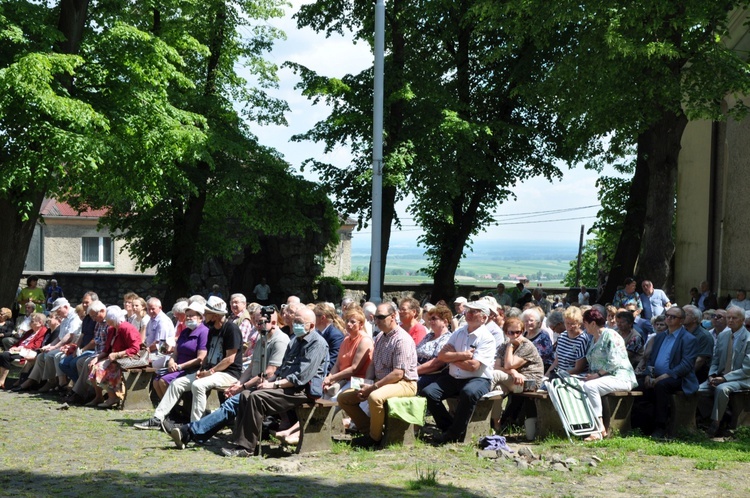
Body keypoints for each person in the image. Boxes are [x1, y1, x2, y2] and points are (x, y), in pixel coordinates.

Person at [173, 306, 328, 457]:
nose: (295, 325)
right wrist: (266, 382)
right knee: (246, 395)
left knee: (255, 397)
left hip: (302, 390)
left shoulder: (317, 343)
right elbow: (281, 370)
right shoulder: (294, 341)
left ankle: (246, 448)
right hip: (284, 385)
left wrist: (273, 384)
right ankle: (234, 441)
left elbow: (300, 377)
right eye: (295, 321)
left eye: (299, 322)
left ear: (311, 325)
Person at [134, 296, 243, 428]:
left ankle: (195, 427)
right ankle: (158, 418)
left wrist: (209, 372)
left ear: (215, 315)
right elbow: (207, 356)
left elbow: (229, 359)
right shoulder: (212, 329)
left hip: (228, 373)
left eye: (207, 313)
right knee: (176, 383)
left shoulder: (231, 329)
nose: (204, 315)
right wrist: (201, 370)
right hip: (210, 372)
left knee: (198, 385)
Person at [337, 301, 419, 449]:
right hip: (381, 381)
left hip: (404, 383)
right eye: (375, 317)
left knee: (374, 397)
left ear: (393, 316)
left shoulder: (402, 339)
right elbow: (373, 364)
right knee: (344, 398)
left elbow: (398, 373)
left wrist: (372, 387)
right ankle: (368, 431)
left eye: (381, 317)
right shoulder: (380, 336)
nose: (376, 321)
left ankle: (374, 439)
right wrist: (367, 383)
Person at [421, 300, 496, 444]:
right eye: (468, 311)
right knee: (428, 392)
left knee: (468, 393)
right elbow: (442, 356)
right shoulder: (459, 332)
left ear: (484, 318)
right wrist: (464, 355)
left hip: (478, 378)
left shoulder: (487, 338)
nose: (469, 314)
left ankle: (454, 434)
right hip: (454, 376)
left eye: (474, 312)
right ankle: (450, 428)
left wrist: (452, 357)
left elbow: (474, 366)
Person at [639, 307, 698, 439]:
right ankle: (642, 424)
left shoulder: (688, 339)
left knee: (662, 386)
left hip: (678, 378)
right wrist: (648, 374)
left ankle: (661, 427)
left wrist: (666, 375)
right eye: (667, 315)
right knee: (639, 385)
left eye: (673, 317)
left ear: (681, 321)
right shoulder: (659, 337)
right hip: (656, 375)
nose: (669, 318)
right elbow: (651, 359)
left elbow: (686, 365)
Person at [581, 309, 637, 441]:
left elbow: (615, 361)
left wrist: (596, 376)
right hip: (604, 378)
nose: (584, 327)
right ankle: (583, 426)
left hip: (621, 377)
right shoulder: (594, 339)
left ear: (593, 323)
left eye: (585, 324)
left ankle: (598, 429)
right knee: (575, 385)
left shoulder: (611, 335)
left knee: (590, 387)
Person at [698, 306, 750, 436]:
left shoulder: (748, 339)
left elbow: (747, 369)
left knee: (722, 389)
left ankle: (715, 424)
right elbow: (715, 360)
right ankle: (720, 416)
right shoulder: (723, 336)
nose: (731, 320)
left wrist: (725, 378)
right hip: (720, 376)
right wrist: (711, 375)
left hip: (742, 378)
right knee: (698, 389)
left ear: (743, 320)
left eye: (734, 318)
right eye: (729, 317)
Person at [490, 317, 544, 431]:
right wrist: (513, 372)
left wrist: (510, 346)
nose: (515, 335)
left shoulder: (526, 345)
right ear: (506, 332)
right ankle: (496, 425)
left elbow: (508, 364)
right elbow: (497, 366)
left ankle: (476, 403)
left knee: (495, 375)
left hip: (529, 382)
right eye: (511, 332)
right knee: (497, 390)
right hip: (514, 379)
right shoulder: (503, 345)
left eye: (518, 332)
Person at [86, 306, 142, 408]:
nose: (107, 322)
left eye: (109, 320)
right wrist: (97, 358)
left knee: (100, 369)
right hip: (113, 358)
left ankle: (113, 397)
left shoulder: (127, 328)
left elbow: (135, 348)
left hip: (126, 359)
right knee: (93, 366)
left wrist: (118, 354)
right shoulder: (112, 329)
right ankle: (103, 396)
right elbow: (107, 349)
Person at [152, 302, 209, 399]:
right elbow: (175, 353)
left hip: (190, 369)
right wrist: (171, 361)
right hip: (177, 367)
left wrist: (179, 366)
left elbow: (201, 358)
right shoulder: (184, 332)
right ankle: (171, 410)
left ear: (200, 317)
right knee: (156, 381)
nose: (188, 318)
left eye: (191, 316)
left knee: (163, 381)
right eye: (187, 316)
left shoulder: (204, 332)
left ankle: (172, 409)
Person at [322, 307, 374, 399]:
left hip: (358, 381)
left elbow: (354, 369)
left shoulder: (365, 340)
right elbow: (337, 364)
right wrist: (328, 380)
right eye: (347, 321)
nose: (348, 324)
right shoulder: (346, 339)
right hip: (343, 380)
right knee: (324, 395)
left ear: (361, 324)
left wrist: (331, 378)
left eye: (353, 322)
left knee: (334, 399)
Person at [0, 313, 47, 389]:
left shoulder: (43, 331)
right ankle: (2, 381)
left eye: (32, 321)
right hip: (20, 351)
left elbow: (37, 345)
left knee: (4, 355)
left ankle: (2, 381)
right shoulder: (29, 332)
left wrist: (21, 348)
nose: (30, 323)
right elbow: (19, 342)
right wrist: (14, 347)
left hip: (28, 352)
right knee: (4, 354)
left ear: (40, 323)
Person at [415, 305, 453, 392]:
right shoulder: (429, 336)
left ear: (445, 321)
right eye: (430, 319)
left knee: (407, 384)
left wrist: (412, 372)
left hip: (432, 374)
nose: (430, 321)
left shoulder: (447, 338)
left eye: (434, 319)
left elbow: (436, 364)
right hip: (417, 370)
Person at [545, 307, 590, 378]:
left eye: (573, 324)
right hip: (559, 374)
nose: (570, 327)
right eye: (567, 323)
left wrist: (559, 375)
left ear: (579, 324)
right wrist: (546, 376)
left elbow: (579, 368)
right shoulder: (562, 337)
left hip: (574, 376)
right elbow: (557, 361)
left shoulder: (583, 339)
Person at [682, 305, 714, 383]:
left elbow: (700, 361)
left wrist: (683, 375)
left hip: (695, 374)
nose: (681, 316)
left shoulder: (704, 336)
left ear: (695, 319)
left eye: (685, 314)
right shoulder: (681, 332)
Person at [313, 302, 345, 374]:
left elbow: (332, 363)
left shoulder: (336, 336)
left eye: (314, 316)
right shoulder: (317, 333)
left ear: (322, 318)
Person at [144, 297, 176, 369]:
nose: (150, 311)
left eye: (153, 309)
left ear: (160, 308)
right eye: (148, 309)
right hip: (152, 351)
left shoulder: (162, 321)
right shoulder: (152, 319)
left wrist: (147, 350)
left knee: (140, 362)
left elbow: (160, 343)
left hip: (161, 353)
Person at [521, 308, 554, 373]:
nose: (528, 323)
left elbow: (540, 356)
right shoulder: (523, 334)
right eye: (526, 321)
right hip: (524, 366)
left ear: (538, 322)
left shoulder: (543, 336)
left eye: (531, 320)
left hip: (541, 369)